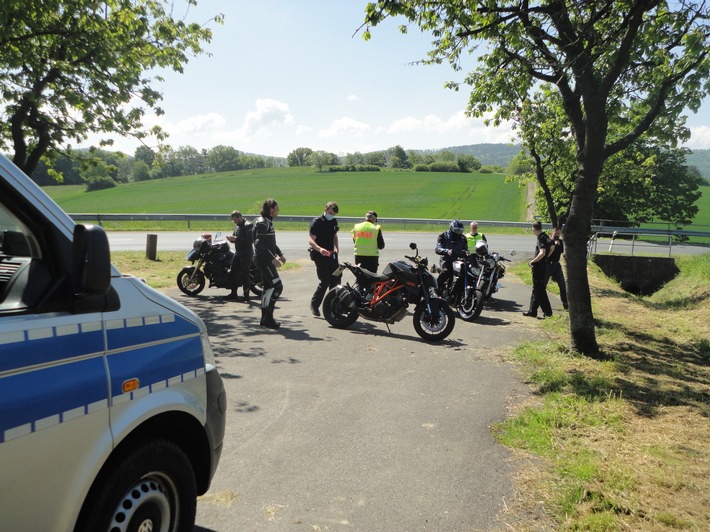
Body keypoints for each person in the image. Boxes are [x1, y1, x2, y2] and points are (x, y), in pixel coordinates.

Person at [253, 198, 286, 329]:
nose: (278, 210)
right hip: (263, 260)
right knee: (277, 286)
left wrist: (280, 254)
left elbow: (270, 242)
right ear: (271, 209)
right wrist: (272, 258)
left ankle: (265, 318)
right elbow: (258, 243)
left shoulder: (266, 222)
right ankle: (268, 317)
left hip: (265, 259)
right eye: (277, 208)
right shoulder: (262, 222)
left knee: (268, 288)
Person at [308, 201, 340, 317]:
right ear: (326, 209)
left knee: (336, 280)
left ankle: (332, 307)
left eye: (334, 214)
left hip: (331, 255)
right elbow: (311, 240)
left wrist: (336, 248)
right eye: (331, 213)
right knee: (325, 281)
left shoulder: (333, 221)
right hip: (320, 255)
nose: (332, 216)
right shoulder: (317, 222)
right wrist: (319, 249)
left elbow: (334, 236)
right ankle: (314, 305)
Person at [522, 221, 553, 318]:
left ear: (534, 229)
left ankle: (548, 313)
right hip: (544, 266)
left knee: (540, 291)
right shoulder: (546, 236)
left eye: (532, 229)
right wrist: (546, 258)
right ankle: (532, 311)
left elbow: (542, 252)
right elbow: (552, 247)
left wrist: (533, 261)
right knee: (536, 289)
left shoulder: (541, 238)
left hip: (539, 268)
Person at [225, 210, 253, 301]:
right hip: (238, 252)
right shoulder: (237, 226)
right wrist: (231, 239)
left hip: (246, 253)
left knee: (245, 274)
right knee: (232, 272)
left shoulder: (248, 225)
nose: (234, 222)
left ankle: (246, 295)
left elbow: (249, 240)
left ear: (240, 217)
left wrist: (236, 239)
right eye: (233, 220)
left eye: (235, 220)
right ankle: (234, 293)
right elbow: (236, 238)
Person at [435, 219, 469, 290]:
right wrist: (447, 251)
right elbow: (437, 248)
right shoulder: (443, 236)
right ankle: (436, 287)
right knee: (447, 271)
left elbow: (466, 249)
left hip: (458, 261)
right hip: (446, 260)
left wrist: (466, 253)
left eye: (461, 230)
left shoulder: (463, 238)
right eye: (457, 230)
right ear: (452, 228)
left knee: (467, 272)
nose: (459, 232)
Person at [546, 226, 569, 310]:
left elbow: (564, 252)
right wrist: (554, 245)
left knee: (562, 284)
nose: (557, 235)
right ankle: (541, 303)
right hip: (548, 265)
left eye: (558, 234)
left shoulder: (561, 242)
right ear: (552, 233)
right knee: (543, 284)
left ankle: (565, 304)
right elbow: (547, 254)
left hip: (556, 265)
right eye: (555, 233)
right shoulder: (548, 241)